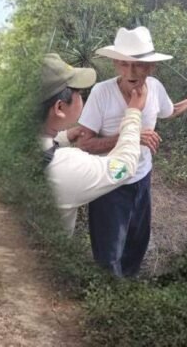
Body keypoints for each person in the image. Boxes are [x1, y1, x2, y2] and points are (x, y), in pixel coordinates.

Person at [75, 26, 187, 277]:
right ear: (115, 64)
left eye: (139, 65)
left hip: (141, 178)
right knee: (109, 254)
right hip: (109, 184)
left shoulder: (154, 87)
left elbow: (170, 111)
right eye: (124, 63)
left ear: (151, 67)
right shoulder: (102, 93)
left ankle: (129, 293)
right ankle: (107, 301)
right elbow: (84, 143)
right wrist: (131, 138)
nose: (131, 71)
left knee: (136, 245)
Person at [40, 53, 146, 238]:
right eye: (78, 93)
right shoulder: (68, 167)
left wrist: (63, 137)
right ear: (59, 108)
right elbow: (124, 167)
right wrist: (134, 113)